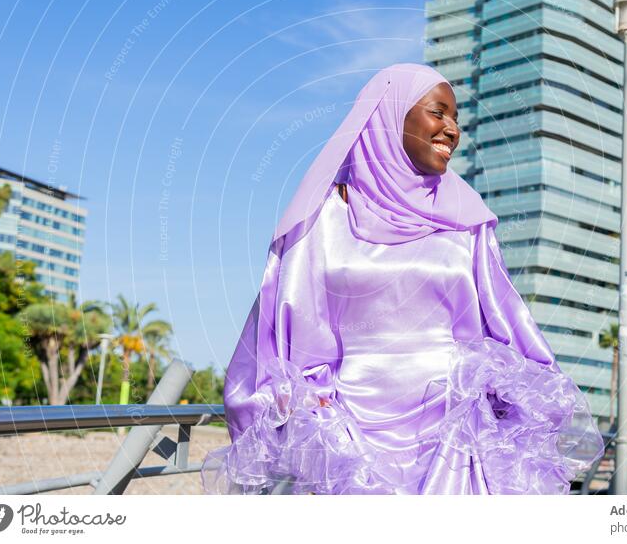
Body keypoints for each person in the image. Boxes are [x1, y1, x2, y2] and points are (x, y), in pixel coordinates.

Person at [200, 63, 605, 495]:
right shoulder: (319, 221)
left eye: (456, 119)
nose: (452, 129)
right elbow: (288, 336)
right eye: (439, 112)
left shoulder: (468, 223)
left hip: (457, 440)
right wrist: (313, 414)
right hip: (351, 447)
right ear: (390, 115)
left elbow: (509, 328)